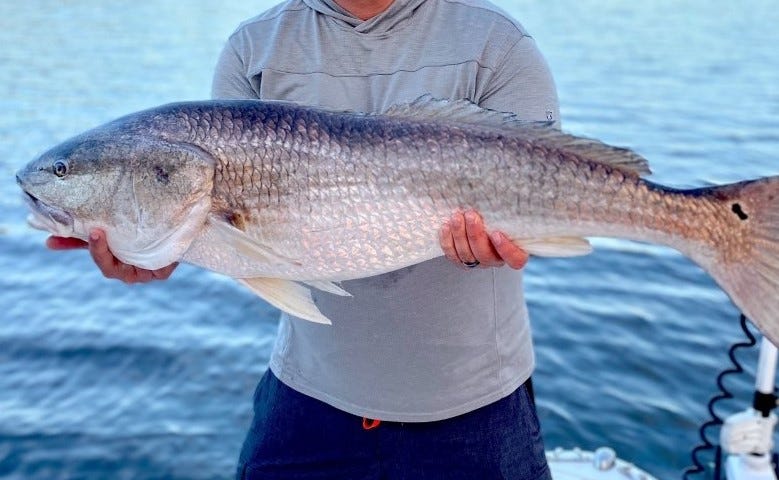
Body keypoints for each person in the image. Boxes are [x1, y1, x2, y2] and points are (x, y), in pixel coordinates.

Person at [48, 0, 560, 478]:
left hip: (479, 411)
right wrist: (152, 252)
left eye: (66, 172)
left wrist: (498, 246)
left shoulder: (498, 43)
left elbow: (547, 193)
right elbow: (217, 231)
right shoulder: (254, 50)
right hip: (308, 399)